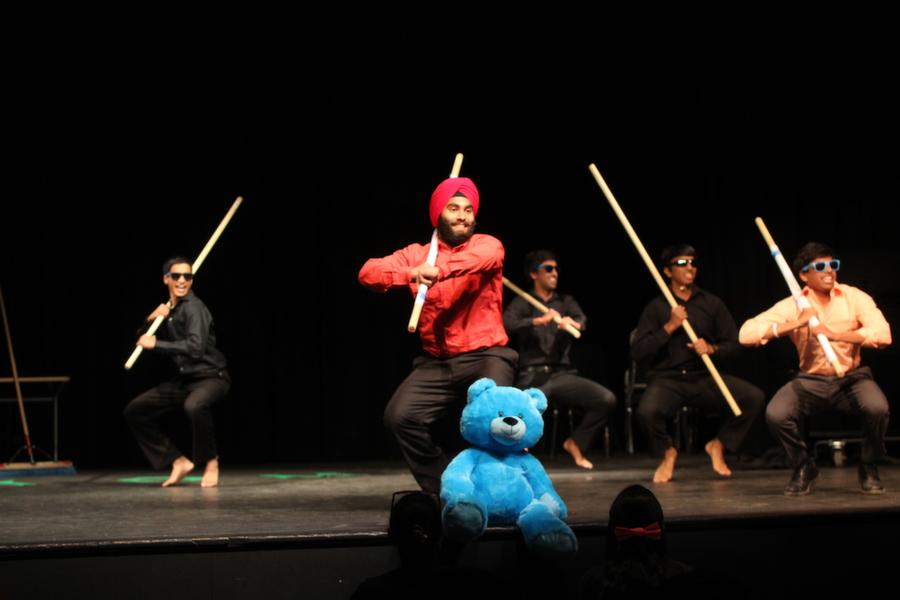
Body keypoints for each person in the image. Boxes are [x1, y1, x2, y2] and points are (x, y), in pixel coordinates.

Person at [358, 177, 517, 493]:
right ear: (437, 215)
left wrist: (440, 270)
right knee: (399, 416)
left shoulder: (488, 244)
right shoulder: (416, 255)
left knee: (497, 415)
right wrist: (411, 273)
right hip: (437, 362)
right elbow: (367, 273)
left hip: (486, 355)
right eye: (454, 208)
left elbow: (482, 260)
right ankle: (446, 488)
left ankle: (504, 486)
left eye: (468, 210)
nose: (463, 216)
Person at [739, 242, 891, 496]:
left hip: (851, 378)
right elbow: (746, 334)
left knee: (878, 408)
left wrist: (836, 334)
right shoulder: (794, 305)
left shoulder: (854, 297)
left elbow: (883, 335)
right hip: (810, 380)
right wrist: (793, 324)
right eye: (820, 267)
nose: (829, 271)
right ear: (803, 276)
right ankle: (804, 466)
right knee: (776, 414)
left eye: (833, 265)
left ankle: (868, 464)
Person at [631, 244, 764, 483]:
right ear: (667, 271)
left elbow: (735, 343)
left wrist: (712, 348)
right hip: (668, 379)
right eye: (682, 263)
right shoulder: (657, 307)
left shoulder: (711, 304)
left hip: (704, 377)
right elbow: (639, 351)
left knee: (752, 398)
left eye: (692, 262)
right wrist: (669, 327)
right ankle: (666, 451)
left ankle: (719, 444)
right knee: (647, 412)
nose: (689, 267)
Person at [503, 249, 616, 469]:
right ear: (534, 274)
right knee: (519, 409)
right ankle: (517, 458)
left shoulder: (565, 301)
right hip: (532, 375)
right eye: (548, 268)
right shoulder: (523, 302)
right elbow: (507, 323)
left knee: (606, 399)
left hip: (562, 375)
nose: (554, 273)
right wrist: (537, 321)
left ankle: (576, 442)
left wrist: (573, 324)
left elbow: (581, 319)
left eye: (556, 268)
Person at [123, 257, 230, 488]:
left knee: (194, 406)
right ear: (166, 279)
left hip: (211, 376)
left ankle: (211, 461)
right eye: (176, 276)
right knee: (135, 410)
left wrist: (158, 344)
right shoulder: (169, 310)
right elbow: (143, 341)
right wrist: (150, 320)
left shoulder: (194, 308)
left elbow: (195, 347)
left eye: (187, 276)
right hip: (186, 379)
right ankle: (177, 461)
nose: (182, 280)